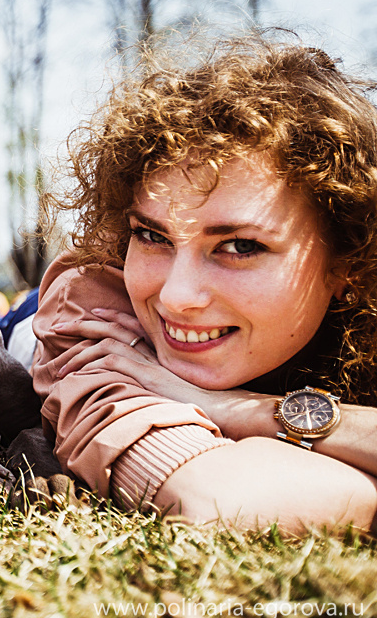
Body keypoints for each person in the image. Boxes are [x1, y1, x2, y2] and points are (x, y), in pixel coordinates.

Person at [32, 33, 377, 533]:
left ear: (349, 264)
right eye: (151, 236)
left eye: (239, 246)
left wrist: (248, 411)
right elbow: (214, 495)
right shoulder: (94, 309)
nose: (176, 297)